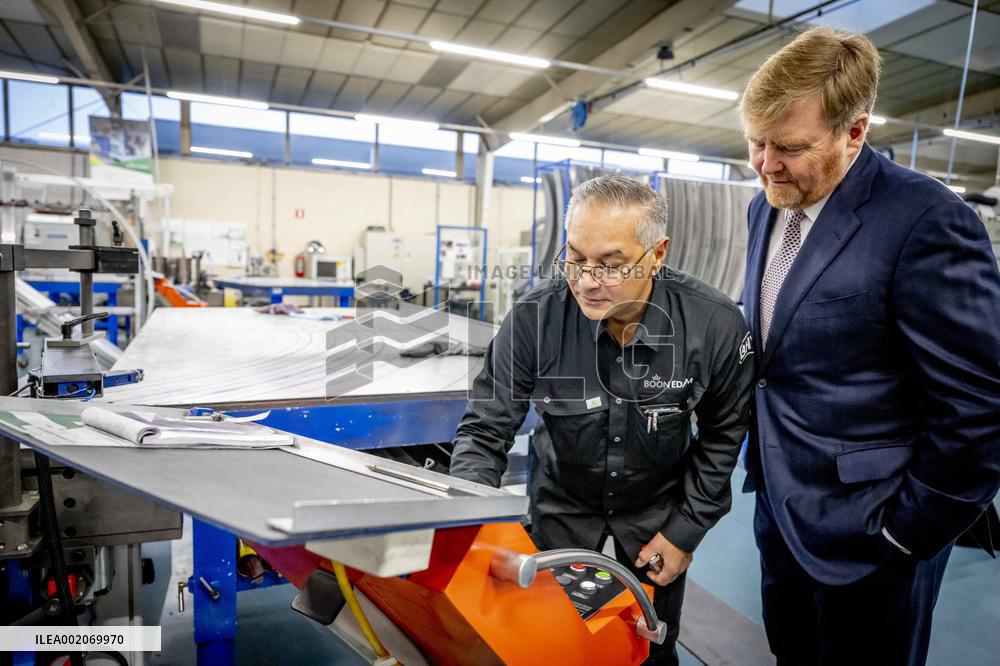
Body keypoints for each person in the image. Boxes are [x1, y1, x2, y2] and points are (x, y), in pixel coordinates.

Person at [739, 26, 1000, 666]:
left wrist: (907, 534)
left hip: (875, 533)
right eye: (755, 142)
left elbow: (981, 404)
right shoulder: (765, 207)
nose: (767, 163)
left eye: (789, 147)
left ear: (854, 132)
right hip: (781, 512)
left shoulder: (925, 220)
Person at [450, 174, 755, 665]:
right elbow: (487, 427)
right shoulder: (534, 319)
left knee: (651, 646)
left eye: (611, 265)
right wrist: (468, 526)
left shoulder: (712, 326)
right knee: (555, 645)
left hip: (657, 511)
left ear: (657, 254)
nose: (587, 280)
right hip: (562, 508)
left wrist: (684, 532)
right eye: (575, 258)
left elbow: (724, 433)